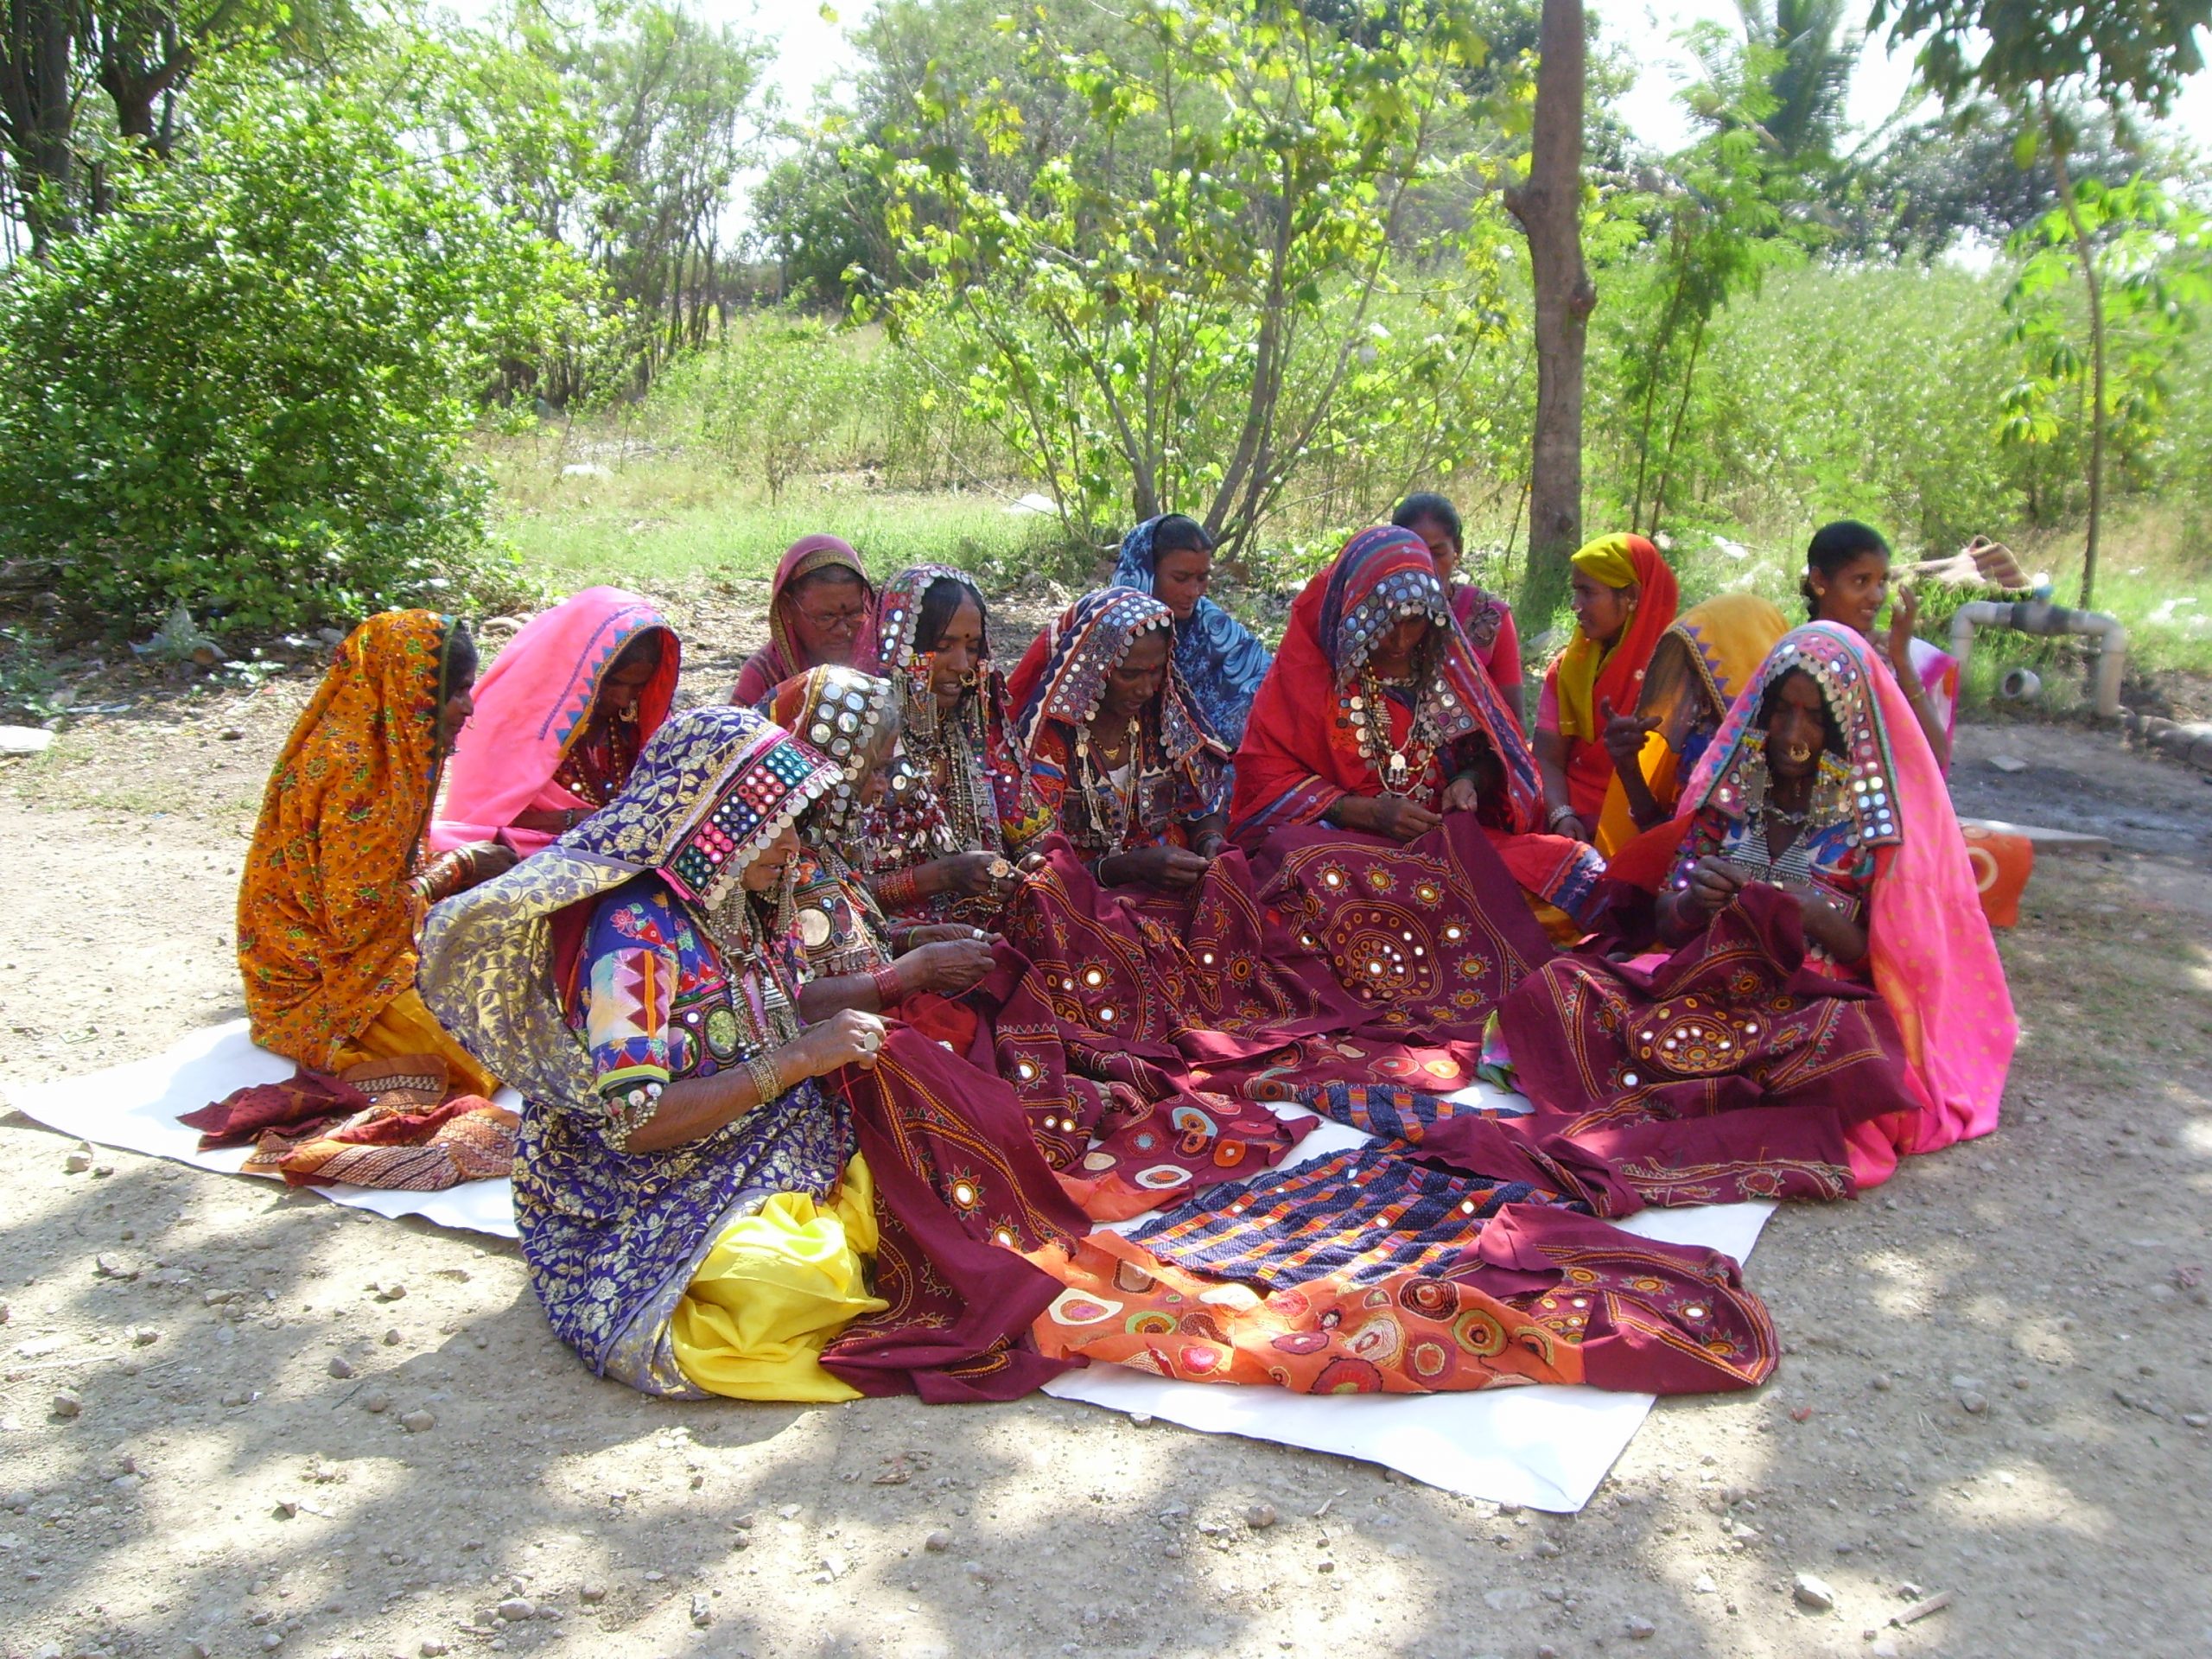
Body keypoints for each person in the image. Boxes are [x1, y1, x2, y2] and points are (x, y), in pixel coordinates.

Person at [416, 707, 1086, 1400]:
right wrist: (798, 1061)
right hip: (660, 1176)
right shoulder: (635, 935)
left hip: (774, 1127)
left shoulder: (751, 894)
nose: (792, 845)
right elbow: (638, 1126)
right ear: (714, 826)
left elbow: (782, 1003)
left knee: (946, 1137)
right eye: (773, 825)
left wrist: (871, 997)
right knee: (793, 1284)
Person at [1499, 622, 2016, 1189]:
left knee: (1849, 1049)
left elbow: (1895, 959)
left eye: (1815, 716)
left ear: (1848, 722)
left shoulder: (1876, 820)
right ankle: (1703, 1081)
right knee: (1558, 986)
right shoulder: (1734, 790)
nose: (1794, 733)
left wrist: (1816, 914)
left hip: (1804, 1008)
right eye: (1783, 711)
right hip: (1707, 987)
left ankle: (1693, 1081)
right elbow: (1669, 926)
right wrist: (1694, 903)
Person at [1230, 524, 1605, 928]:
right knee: (1298, 862)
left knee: (1574, 867)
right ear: (1355, 610)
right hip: (1348, 847)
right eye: (1385, 622)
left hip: (1445, 845)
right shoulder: (1307, 673)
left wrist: (1469, 781)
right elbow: (1264, 778)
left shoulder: (1445, 667)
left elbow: (1496, 757)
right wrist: (1367, 813)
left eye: (1416, 621)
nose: (1400, 640)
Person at [237, 611, 506, 1098]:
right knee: (480, 1060)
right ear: (414, 692)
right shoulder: (355, 771)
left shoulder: (391, 748)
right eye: (458, 691)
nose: (468, 708)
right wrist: (460, 868)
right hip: (322, 975)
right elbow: (359, 922)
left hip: (373, 945)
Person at [763, 664, 999, 1001]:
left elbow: (851, 936)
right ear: (831, 766)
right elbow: (789, 1003)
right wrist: (917, 970)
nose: (882, 787)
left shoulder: (820, 845)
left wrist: (913, 940)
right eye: (874, 770)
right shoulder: (770, 862)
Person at [859, 563, 1050, 923]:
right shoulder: (861, 746)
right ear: (898, 650)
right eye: (943, 646)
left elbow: (1034, 834)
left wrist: (1031, 868)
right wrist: (943, 876)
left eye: (973, 647)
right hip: (897, 942)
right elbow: (837, 893)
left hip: (988, 927)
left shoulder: (978, 732)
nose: (962, 664)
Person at [430, 587, 680, 857]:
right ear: (581, 670)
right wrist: (571, 821)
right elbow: (481, 820)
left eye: (637, 687)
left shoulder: (635, 725)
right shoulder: (513, 718)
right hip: (527, 856)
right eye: (614, 683)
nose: (623, 699)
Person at [1009, 588, 1231, 887]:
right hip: (1085, 900)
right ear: (1092, 668)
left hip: (1174, 886)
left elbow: (1204, 803)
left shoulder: (1164, 721)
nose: (1146, 689)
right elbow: (1039, 865)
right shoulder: (1051, 745)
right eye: (1129, 675)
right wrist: (1124, 869)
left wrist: (1209, 841)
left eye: (1155, 672)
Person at [1592, 593, 1789, 854]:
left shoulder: (1787, 756)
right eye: (1691, 672)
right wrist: (1629, 770)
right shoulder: (1698, 739)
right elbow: (1670, 844)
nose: (1696, 691)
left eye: (1706, 671)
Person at [1535, 532, 1679, 844]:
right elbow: (1547, 758)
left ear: (1632, 596)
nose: (1575, 605)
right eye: (1576, 592)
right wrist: (1562, 814)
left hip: (1639, 823)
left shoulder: (1678, 678)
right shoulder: (1568, 669)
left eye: (1587, 593)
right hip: (1565, 814)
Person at [1108, 513, 1273, 748]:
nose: (1194, 592)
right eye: (1180, 578)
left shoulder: (1212, 629)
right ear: (1146, 573)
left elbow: (1268, 690)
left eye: (1202, 578)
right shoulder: (1104, 632)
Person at [1802, 519, 1955, 771]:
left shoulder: (1891, 657)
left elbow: (1936, 759)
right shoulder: (1801, 656)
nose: (1877, 597)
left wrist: (1902, 660)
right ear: (1819, 581)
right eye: (1861, 581)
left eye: (1882, 582)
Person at [1391, 492, 1523, 722]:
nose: (1427, 564)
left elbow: (1513, 720)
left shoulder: (1489, 614)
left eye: (1438, 553)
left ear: (1457, 550)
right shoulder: (1377, 614)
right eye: (1415, 551)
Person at [729, 534, 879, 708]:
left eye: (854, 614)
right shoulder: (765, 676)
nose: (842, 630)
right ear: (788, 607)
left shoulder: (883, 664)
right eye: (826, 617)